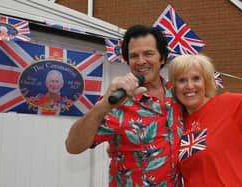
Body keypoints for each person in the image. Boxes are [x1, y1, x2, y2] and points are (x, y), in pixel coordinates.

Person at [65, 25, 184, 186]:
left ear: (162, 58)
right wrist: (104, 106)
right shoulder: (117, 102)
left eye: (148, 53)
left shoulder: (179, 96)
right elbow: (73, 146)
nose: (141, 61)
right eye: (134, 56)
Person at [168, 25, 242, 187]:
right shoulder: (176, 124)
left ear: (206, 82)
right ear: (174, 86)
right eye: (182, 80)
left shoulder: (231, 104)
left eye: (196, 79)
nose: (189, 86)